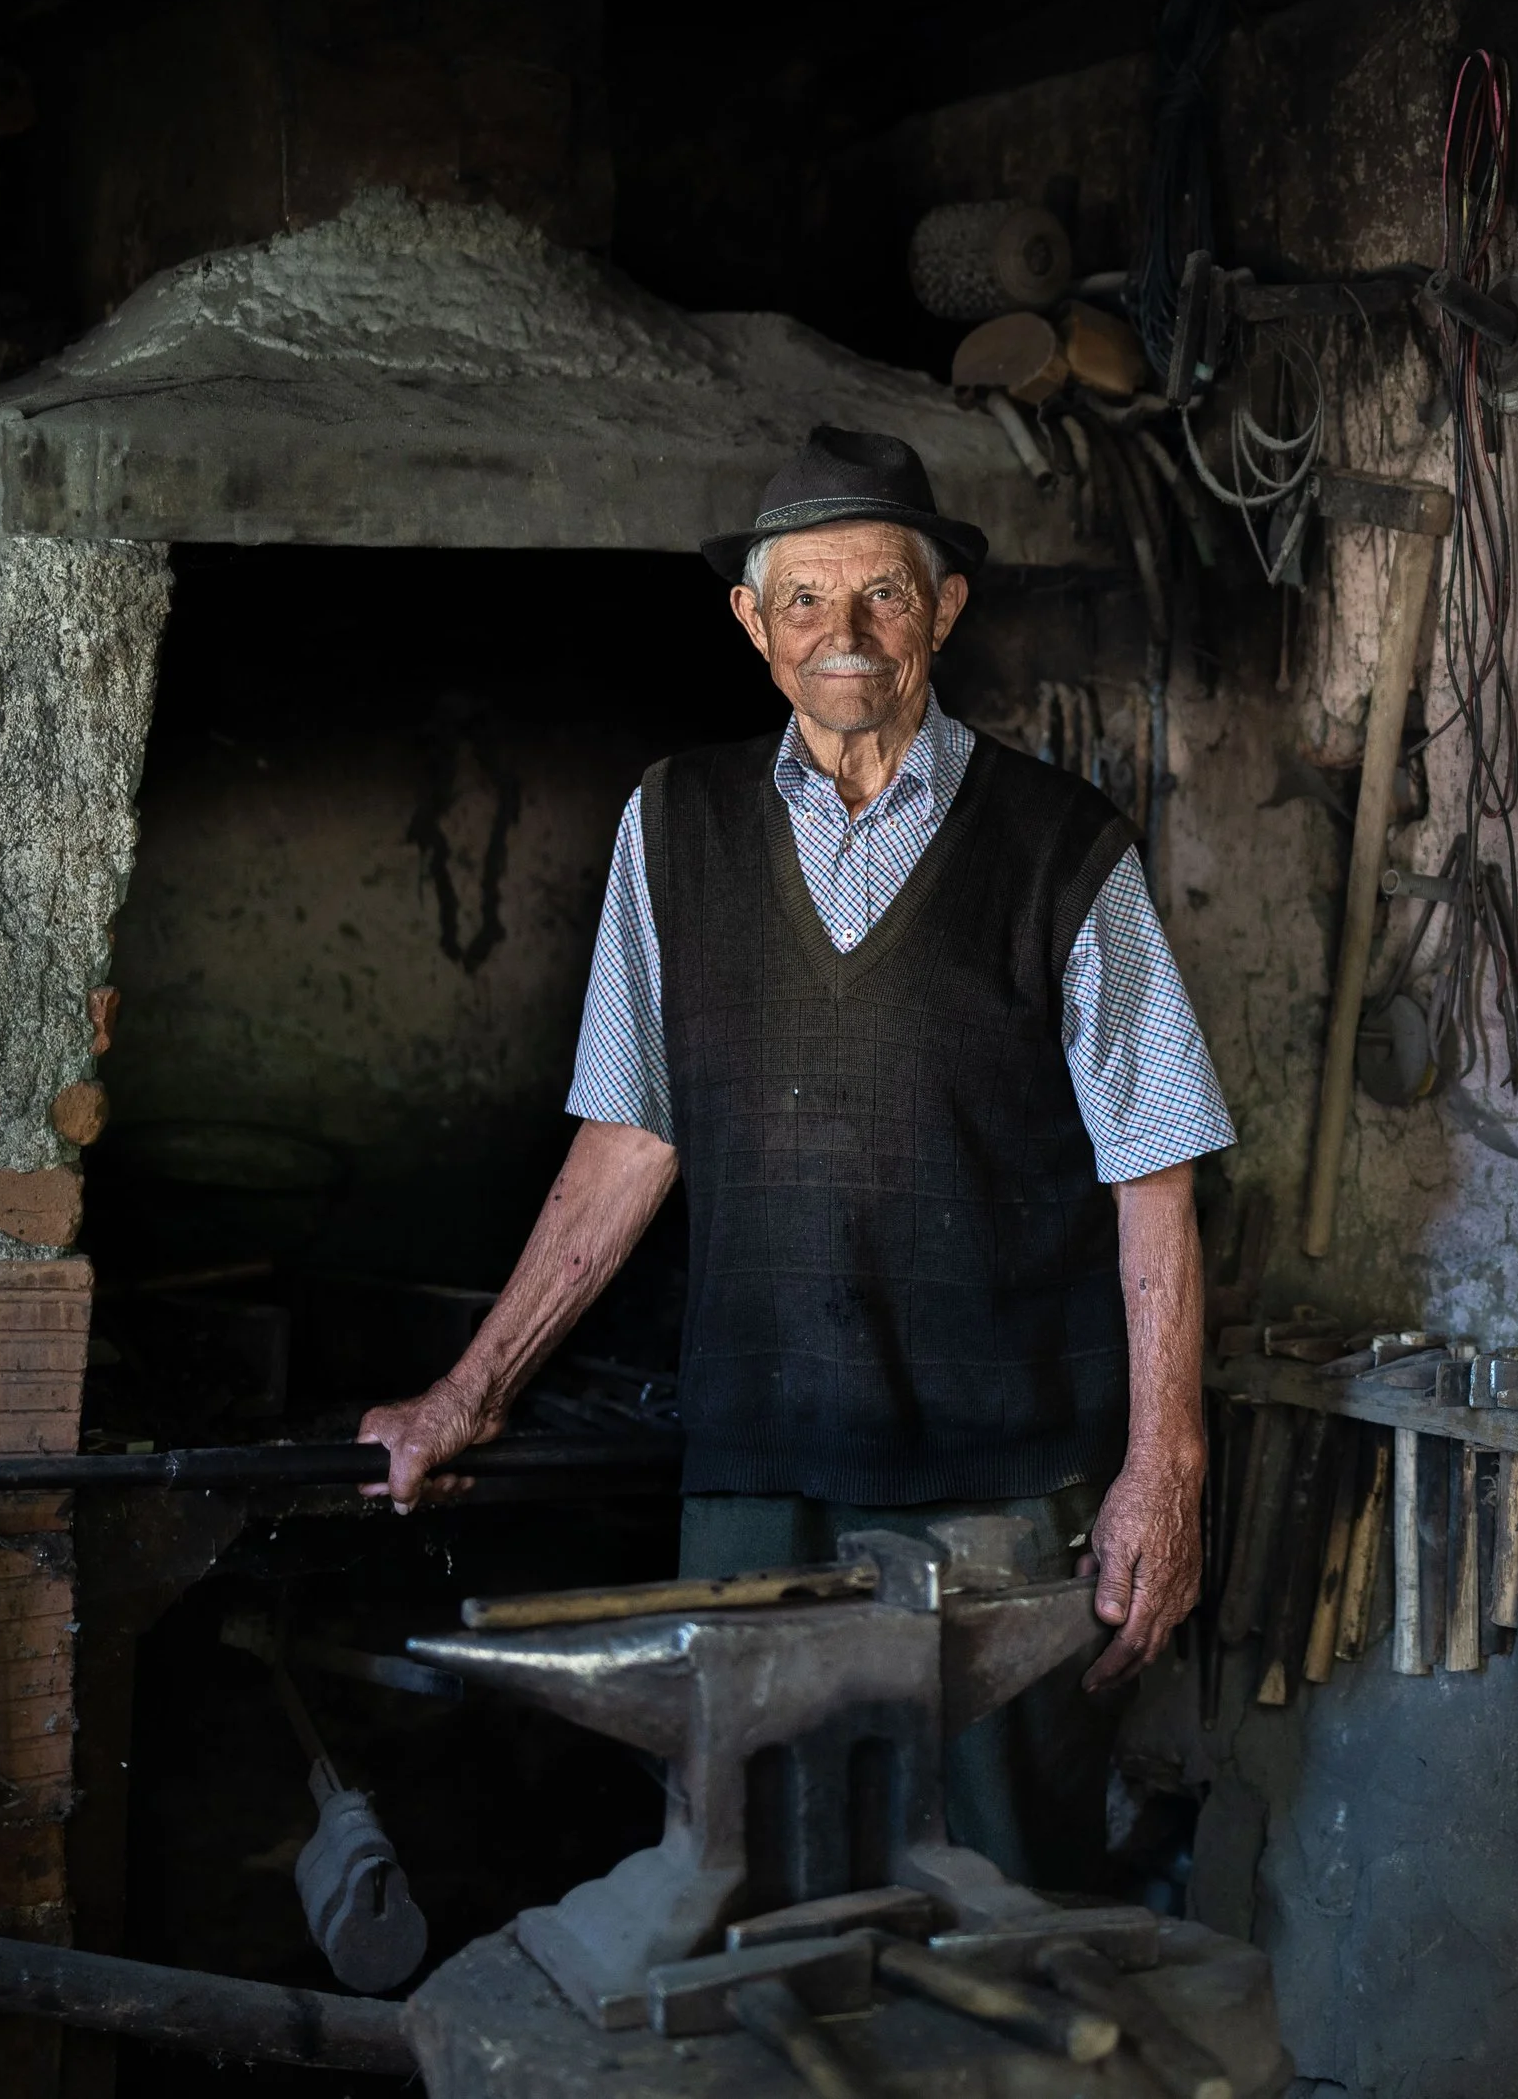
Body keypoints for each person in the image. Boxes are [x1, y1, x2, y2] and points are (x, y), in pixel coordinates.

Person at [356, 424, 1234, 1882]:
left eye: (884, 593)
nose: (847, 634)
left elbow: (1156, 1170)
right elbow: (631, 1135)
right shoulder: (674, 825)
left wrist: (1167, 1466)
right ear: (751, 625)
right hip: (761, 1465)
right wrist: (470, 1391)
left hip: (1001, 1484)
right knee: (754, 1879)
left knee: (1011, 1883)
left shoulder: (1060, 845)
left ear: (945, 610)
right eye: (807, 599)